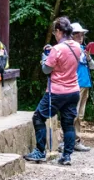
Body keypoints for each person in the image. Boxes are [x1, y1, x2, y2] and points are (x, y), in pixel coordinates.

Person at [25, 17, 84, 166]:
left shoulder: (57, 49)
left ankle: (40, 151)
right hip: (73, 91)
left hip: (56, 91)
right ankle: (67, 156)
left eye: (55, 32)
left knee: (38, 117)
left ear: (59, 31)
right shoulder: (77, 47)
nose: (54, 35)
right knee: (68, 123)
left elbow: (46, 69)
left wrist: (44, 57)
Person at [71, 22, 94, 153]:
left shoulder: (83, 49)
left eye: (82, 35)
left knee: (80, 115)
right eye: (78, 34)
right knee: (73, 114)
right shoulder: (71, 49)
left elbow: (92, 66)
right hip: (76, 84)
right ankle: (68, 140)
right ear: (72, 35)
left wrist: (88, 57)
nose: (81, 37)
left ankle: (76, 140)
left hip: (85, 84)